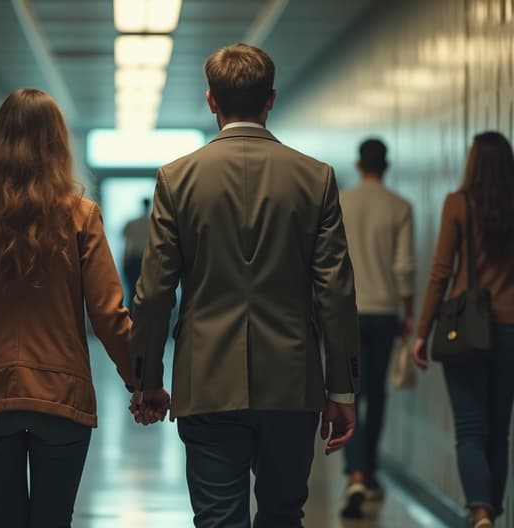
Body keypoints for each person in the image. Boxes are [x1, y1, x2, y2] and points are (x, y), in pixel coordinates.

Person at [128, 43, 360, 528]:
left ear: (211, 100)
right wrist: (341, 388)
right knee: (281, 515)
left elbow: (154, 293)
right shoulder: (315, 179)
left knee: (217, 518)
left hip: (207, 380)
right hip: (292, 383)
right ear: (270, 99)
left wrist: (148, 378)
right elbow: (335, 292)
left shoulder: (177, 179)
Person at [0, 88, 134, 528]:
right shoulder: (80, 214)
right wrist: (142, 379)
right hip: (61, 397)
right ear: (57, 144)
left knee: (3, 519)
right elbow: (108, 312)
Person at [412, 131, 514, 528]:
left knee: (470, 429)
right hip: (510, 331)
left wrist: (422, 332)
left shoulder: (459, 204)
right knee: (499, 433)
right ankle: (492, 513)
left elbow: (441, 272)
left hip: (467, 331)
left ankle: (481, 513)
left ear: (472, 162)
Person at [338, 139, 415, 518]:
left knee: (348, 393)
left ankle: (354, 474)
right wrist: (410, 314)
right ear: (386, 165)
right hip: (385, 313)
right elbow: (404, 268)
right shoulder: (400, 207)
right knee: (378, 397)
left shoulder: (340, 202)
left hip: (346, 313)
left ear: (357, 164)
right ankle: (368, 471)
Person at [122, 198, 151, 307]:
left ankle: (131, 320)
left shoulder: (132, 223)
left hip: (133, 259)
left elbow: (127, 244)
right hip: (146, 261)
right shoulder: (153, 223)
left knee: (132, 291)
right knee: (145, 293)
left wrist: (125, 262)